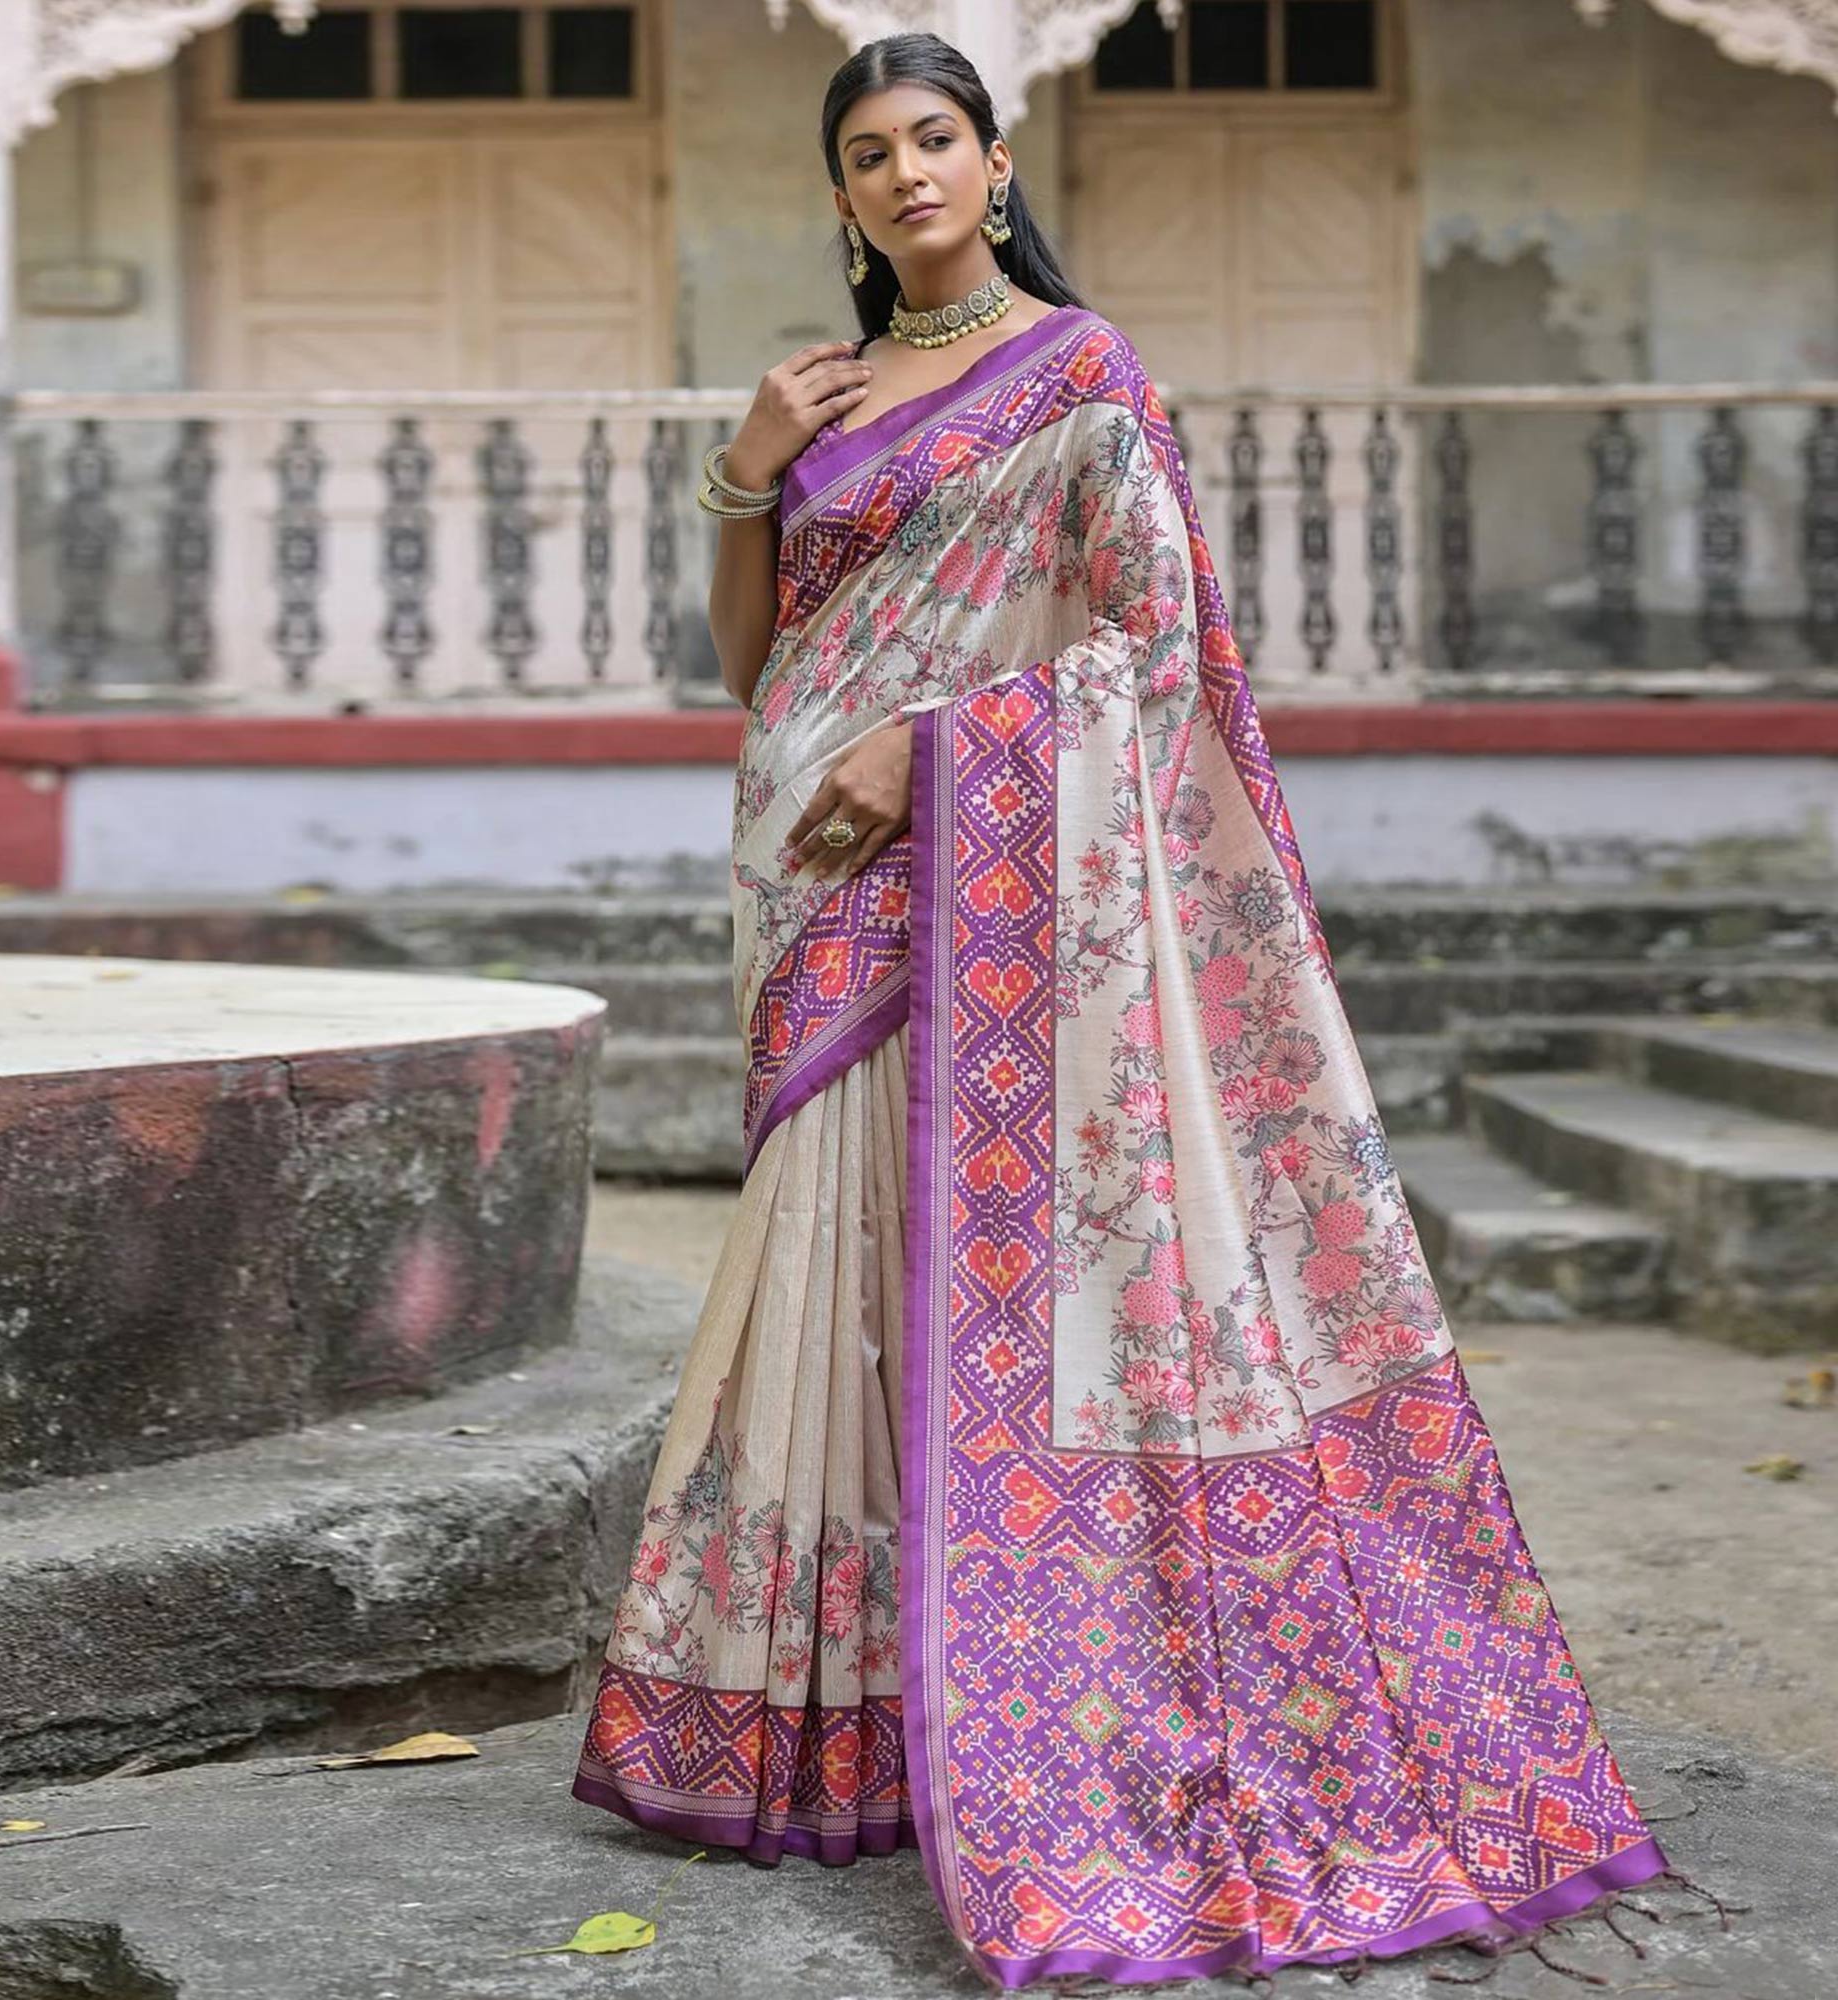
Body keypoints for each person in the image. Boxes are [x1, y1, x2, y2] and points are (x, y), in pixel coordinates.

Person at [572, 29, 1673, 1989]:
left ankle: (1023, 1720)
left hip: (974, 858)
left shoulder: (1080, 380)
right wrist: (741, 471)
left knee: (971, 1275)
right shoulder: (823, 396)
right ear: (838, 199)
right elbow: (766, 668)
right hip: (806, 873)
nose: (904, 173)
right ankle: (833, 1725)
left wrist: (939, 756)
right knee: (830, 1266)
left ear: (993, 168)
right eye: (866, 153)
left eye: (933, 138)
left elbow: (1151, 651)